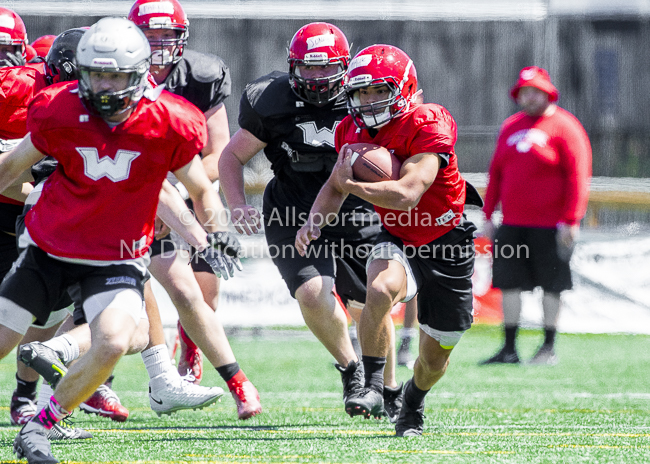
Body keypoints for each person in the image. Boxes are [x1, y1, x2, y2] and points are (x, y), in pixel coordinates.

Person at [0, 17, 240, 463]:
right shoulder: (59, 108)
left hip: (114, 254)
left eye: (116, 76)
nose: (105, 87)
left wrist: (214, 233)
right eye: (95, 75)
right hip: (50, 247)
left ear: (140, 74)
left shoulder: (165, 118)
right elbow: (10, 170)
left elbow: (192, 187)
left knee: (114, 339)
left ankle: (40, 425)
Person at [219, 22, 403, 421]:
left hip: (358, 209)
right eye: (308, 68)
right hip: (293, 209)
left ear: (345, 65)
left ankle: (388, 388)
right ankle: (352, 371)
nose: (317, 78)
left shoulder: (366, 92)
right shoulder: (270, 100)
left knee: (371, 304)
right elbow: (231, 156)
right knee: (312, 292)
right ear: (292, 66)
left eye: (326, 68)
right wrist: (236, 205)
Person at [296, 44, 481, 437]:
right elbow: (334, 187)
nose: (369, 100)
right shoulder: (350, 129)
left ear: (405, 88)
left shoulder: (429, 121)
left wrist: (352, 185)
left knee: (433, 361)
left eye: (379, 90)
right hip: (395, 233)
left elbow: (407, 193)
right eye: (361, 92)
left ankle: (412, 401)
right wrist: (313, 222)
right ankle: (376, 387)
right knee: (378, 289)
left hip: (446, 242)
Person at [127, 0, 262, 419]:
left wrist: (172, 182)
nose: (159, 43)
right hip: (124, 200)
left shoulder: (201, 76)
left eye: (168, 34)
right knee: (110, 302)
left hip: (184, 189)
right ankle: (82, 388)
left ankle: (191, 347)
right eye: (150, 33)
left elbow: (216, 154)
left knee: (205, 287)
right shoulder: (116, 72)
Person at [480, 66, 592, 366]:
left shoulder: (565, 127)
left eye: (535, 91)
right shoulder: (510, 126)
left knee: (552, 286)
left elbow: (578, 176)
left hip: (551, 226)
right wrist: (489, 214)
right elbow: (497, 175)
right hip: (513, 224)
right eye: (524, 92)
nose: (528, 97)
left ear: (547, 92)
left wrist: (572, 219)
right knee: (508, 284)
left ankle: (547, 348)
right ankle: (509, 348)